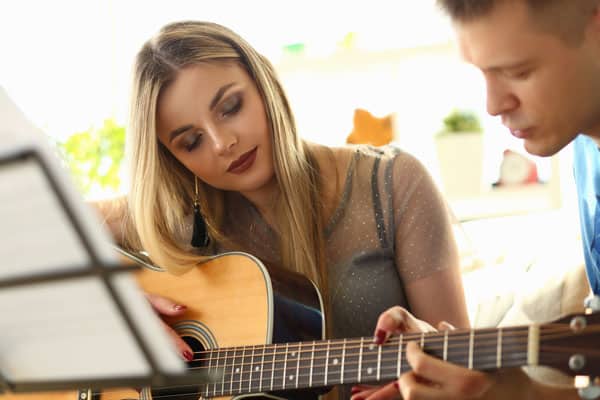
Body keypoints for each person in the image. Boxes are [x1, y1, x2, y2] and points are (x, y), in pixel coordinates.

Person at [96, 20, 469, 400]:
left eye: (231, 107)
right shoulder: (176, 217)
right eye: (192, 141)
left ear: (263, 83)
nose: (224, 143)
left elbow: (466, 371)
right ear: (173, 160)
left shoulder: (392, 184)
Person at [361, 1, 600, 399]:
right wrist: (445, 356)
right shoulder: (584, 146)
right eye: (482, 72)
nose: (493, 105)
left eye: (518, 72)